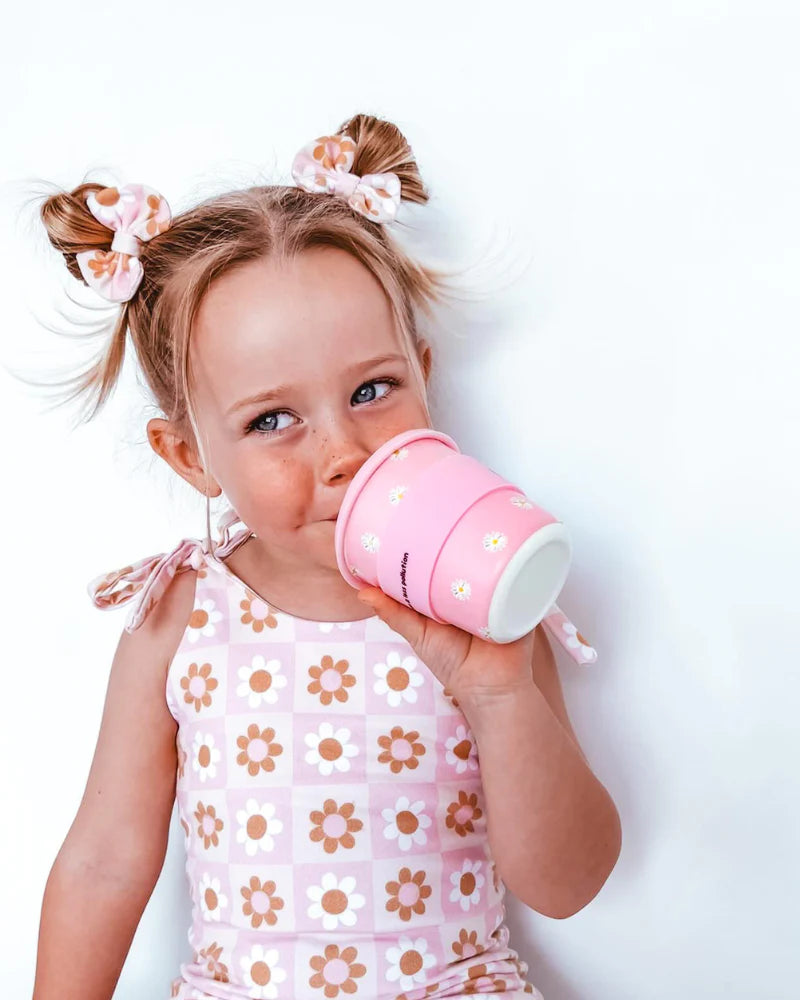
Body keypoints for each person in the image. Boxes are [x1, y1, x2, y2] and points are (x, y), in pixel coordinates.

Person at [27, 113, 621, 1000]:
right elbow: (104, 865)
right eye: (273, 419)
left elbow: (567, 884)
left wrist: (499, 696)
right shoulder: (184, 617)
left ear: (424, 376)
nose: (343, 449)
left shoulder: (484, 603)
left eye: (373, 390)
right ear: (190, 455)